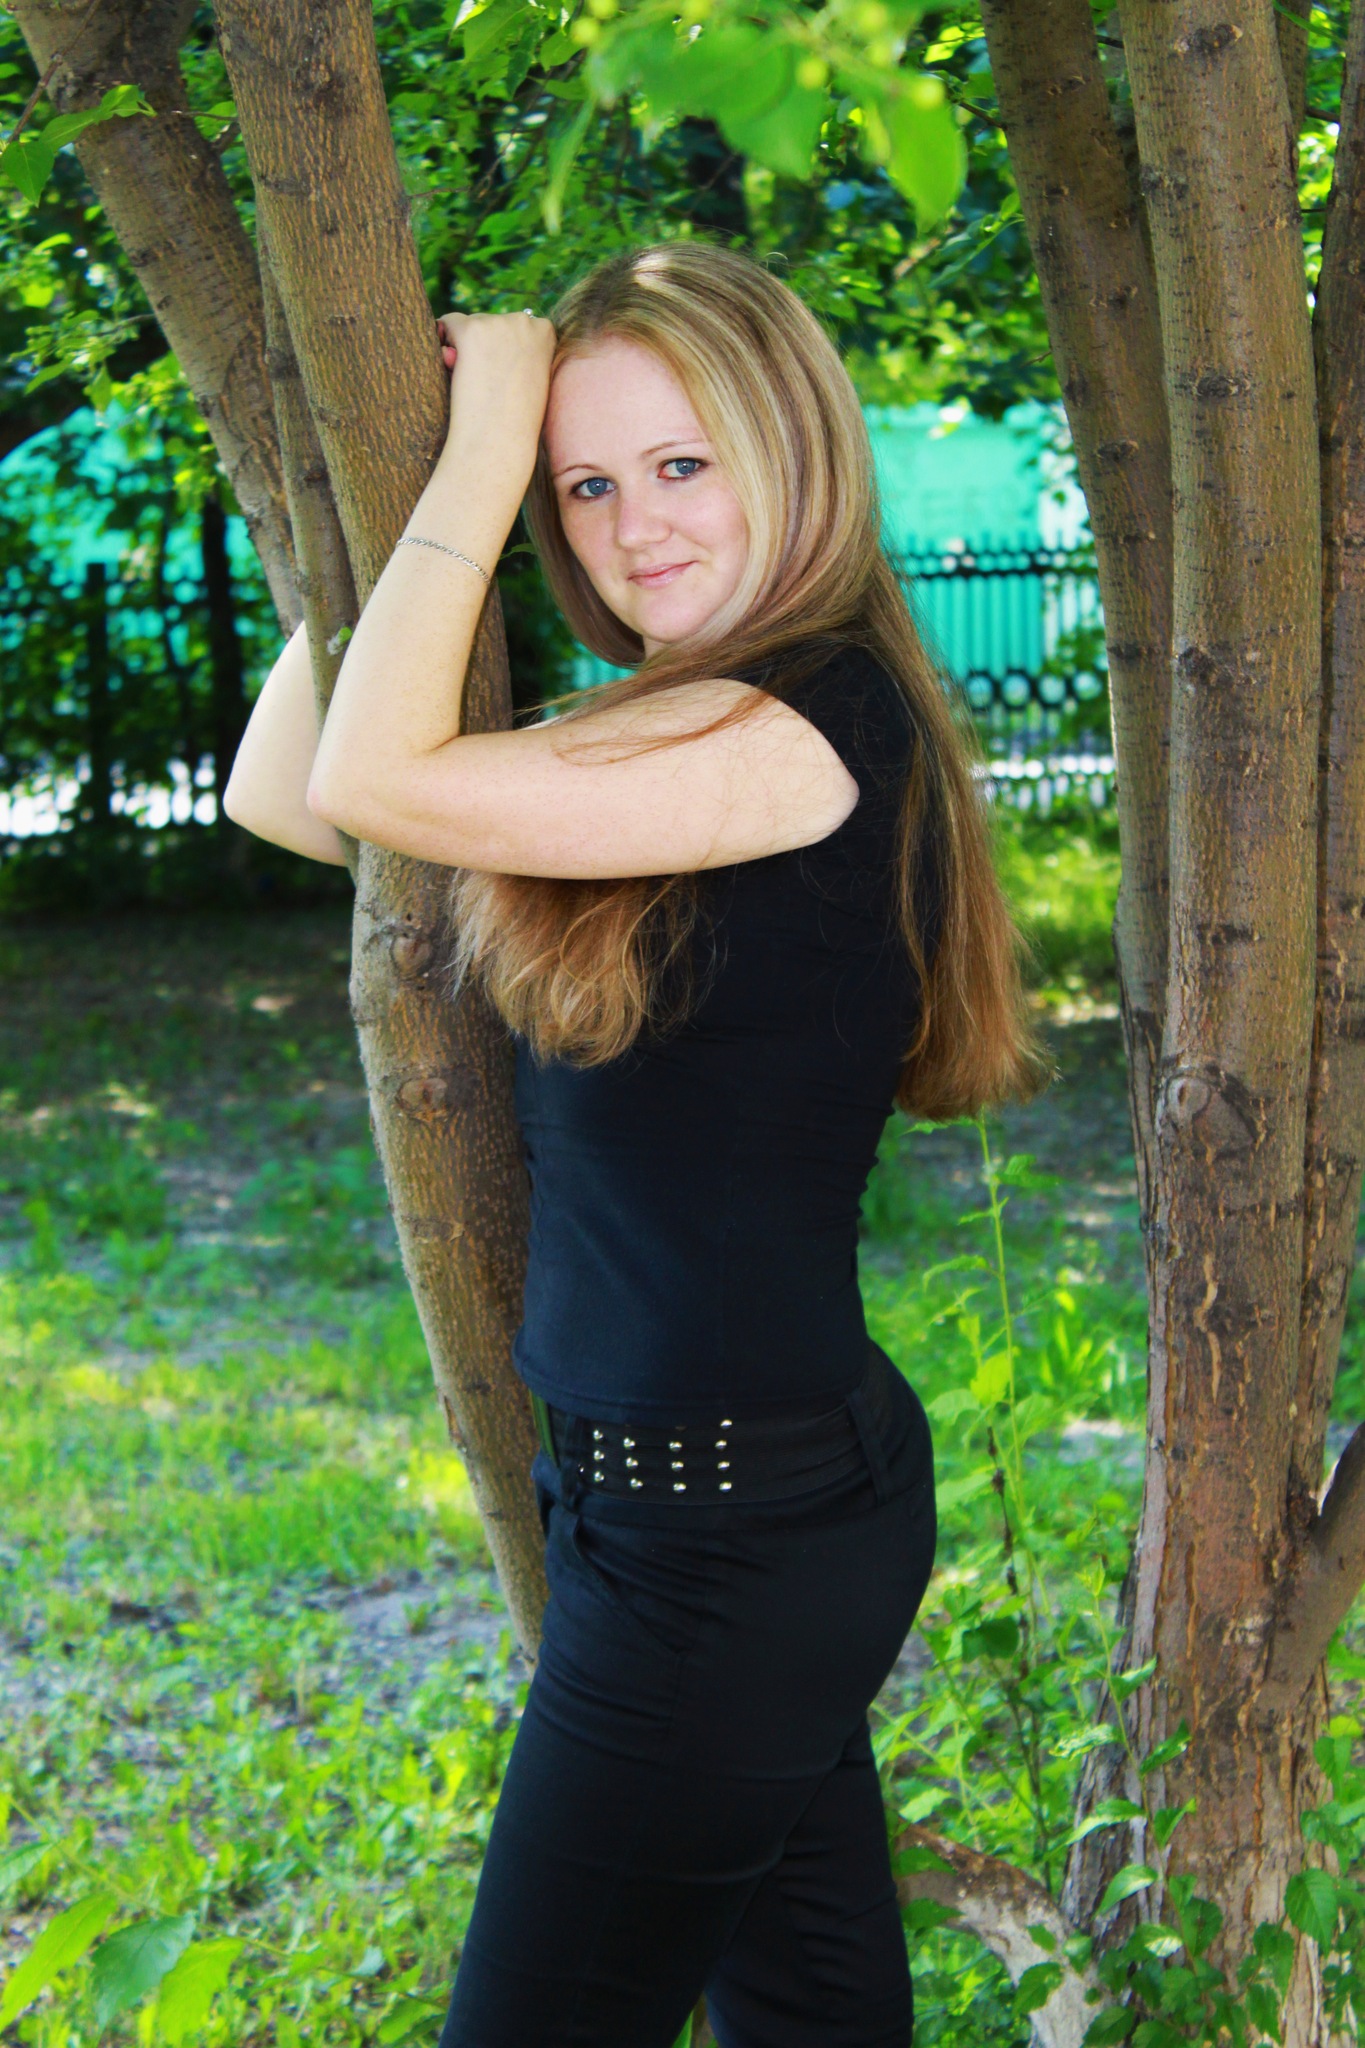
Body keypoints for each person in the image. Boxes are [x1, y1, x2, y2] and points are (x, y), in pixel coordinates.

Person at [224, 239, 1053, 2048]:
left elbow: (373, 780)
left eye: (681, 463)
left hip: (725, 1541)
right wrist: (391, 490)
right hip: (702, 1510)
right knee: (814, 2010)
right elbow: (291, 794)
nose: (632, 526)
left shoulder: (793, 729)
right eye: (582, 484)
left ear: (794, 446)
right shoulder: (676, 728)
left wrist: (487, 436)